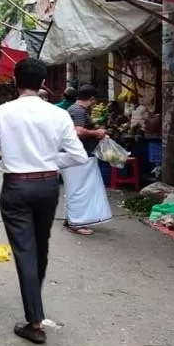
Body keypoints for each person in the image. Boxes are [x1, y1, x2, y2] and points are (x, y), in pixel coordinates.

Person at [0, 58, 87, 344]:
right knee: (40, 246)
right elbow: (78, 156)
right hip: (48, 186)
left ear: (16, 81)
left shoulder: (2, 113)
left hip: (16, 187)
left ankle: (34, 320)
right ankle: (34, 307)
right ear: (42, 84)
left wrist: (8, 158)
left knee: (25, 250)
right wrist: (49, 161)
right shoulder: (58, 115)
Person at [65, 84, 108, 235]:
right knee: (80, 189)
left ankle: (72, 219)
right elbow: (78, 131)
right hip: (78, 156)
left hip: (77, 155)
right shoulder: (77, 110)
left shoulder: (76, 109)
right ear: (91, 99)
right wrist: (97, 133)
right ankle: (77, 223)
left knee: (76, 188)